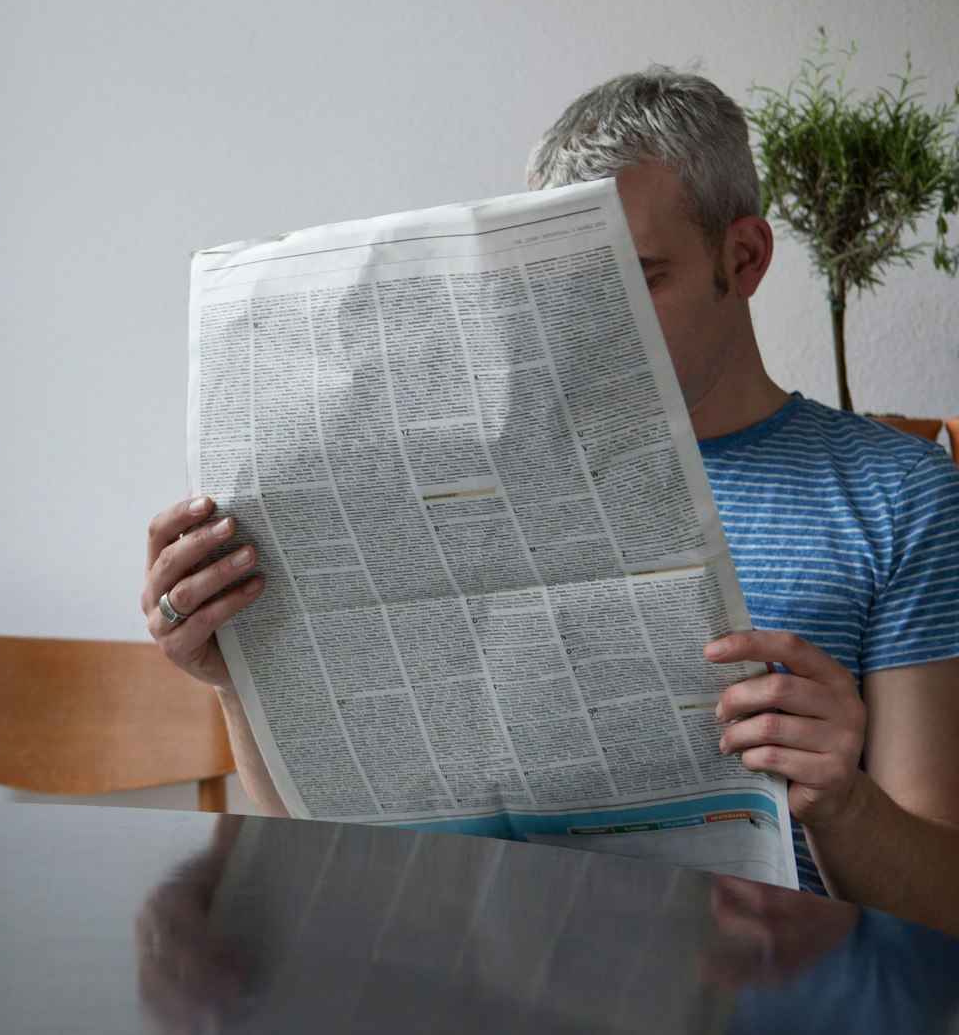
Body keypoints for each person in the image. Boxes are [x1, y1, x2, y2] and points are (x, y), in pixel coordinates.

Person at [141, 67, 959, 930]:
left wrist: (846, 804)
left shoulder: (897, 494)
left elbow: (946, 904)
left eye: (636, 276)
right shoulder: (468, 481)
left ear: (743, 257)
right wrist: (242, 682)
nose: (594, 321)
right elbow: (316, 837)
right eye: (562, 284)